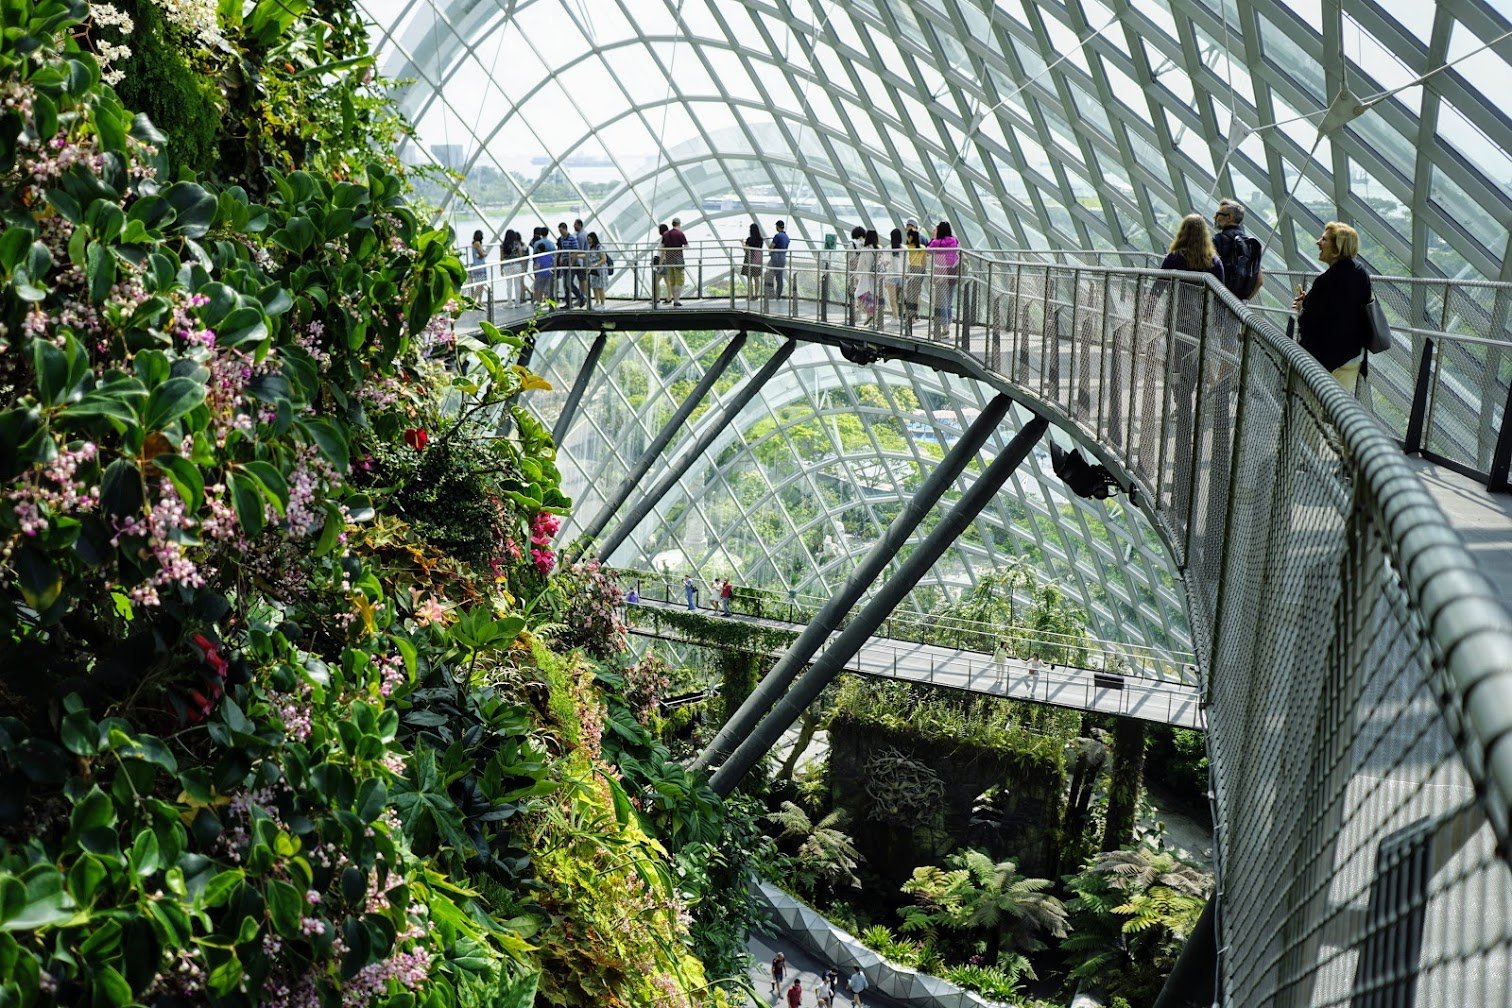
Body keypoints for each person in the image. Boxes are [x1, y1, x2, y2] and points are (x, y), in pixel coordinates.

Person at [1291, 221, 1372, 395]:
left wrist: (1302, 307)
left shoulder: (1327, 281)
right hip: (1351, 356)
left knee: (1311, 412)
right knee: (1339, 412)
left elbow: (1309, 322)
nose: (1318, 242)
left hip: (1323, 361)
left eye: (1324, 239)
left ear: (1337, 248)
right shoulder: (1361, 273)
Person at [1212, 198, 1263, 301]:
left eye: (1218, 214)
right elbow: (1260, 281)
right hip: (1236, 304)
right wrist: (1244, 301)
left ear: (1229, 217)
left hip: (1218, 299)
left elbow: (1210, 269)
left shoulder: (1218, 240)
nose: (1215, 217)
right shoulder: (1250, 244)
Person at [927, 220, 961, 335]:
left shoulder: (937, 242)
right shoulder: (955, 240)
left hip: (940, 273)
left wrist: (933, 237)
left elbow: (928, 250)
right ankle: (946, 325)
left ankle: (945, 328)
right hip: (952, 273)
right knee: (948, 301)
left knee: (941, 301)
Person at [853, 229, 881, 325]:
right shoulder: (879, 249)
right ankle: (871, 318)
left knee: (860, 294)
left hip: (866, 275)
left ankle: (870, 315)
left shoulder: (865, 249)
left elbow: (860, 265)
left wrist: (857, 275)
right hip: (877, 276)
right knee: (873, 297)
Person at [903, 219, 927, 325]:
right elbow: (925, 260)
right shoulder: (923, 243)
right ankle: (915, 314)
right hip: (920, 269)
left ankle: (910, 314)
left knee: (910, 292)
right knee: (917, 292)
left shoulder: (907, 245)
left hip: (911, 269)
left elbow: (906, 258)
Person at [556, 222, 585, 308]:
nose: (560, 232)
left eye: (561, 230)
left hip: (572, 263)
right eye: (559, 231)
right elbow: (563, 249)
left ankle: (581, 297)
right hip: (565, 262)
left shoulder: (572, 238)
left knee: (569, 282)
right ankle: (569, 303)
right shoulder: (561, 239)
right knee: (566, 284)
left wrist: (572, 263)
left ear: (565, 229)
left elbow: (576, 251)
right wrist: (561, 258)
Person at [662, 217, 688, 305]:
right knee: (679, 280)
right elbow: (686, 246)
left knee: (672, 280)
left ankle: (674, 299)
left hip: (668, 259)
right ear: (679, 224)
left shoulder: (665, 234)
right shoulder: (680, 234)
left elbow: (662, 246)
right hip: (678, 259)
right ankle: (676, 300)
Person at [529, 226, 555, 304]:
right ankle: (549, 302)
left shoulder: (537, 243)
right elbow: (554, 255)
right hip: (549, 268)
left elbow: (534, 255)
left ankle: (538, 301)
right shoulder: (551, 244)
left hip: (539, 268)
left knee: (538, 286)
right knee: (548, 287)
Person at [883, 227, 904, 322]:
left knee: (892, 299)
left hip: (891, 276)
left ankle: (895, 318)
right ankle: (896, 317)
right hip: (901, 276)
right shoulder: (904, 248)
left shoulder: (888, 248)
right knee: (898, 298)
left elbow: (885, 262)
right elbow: (906, 263)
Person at [501, 229, 526, 304]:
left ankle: (509, 302)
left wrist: (501, 268)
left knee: (509, 285)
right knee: (517, 284)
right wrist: (522, 266)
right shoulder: (517, 244)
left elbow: (501, 258)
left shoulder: (503, 245)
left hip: (507, 266)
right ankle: (517, 302)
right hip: (516, 265)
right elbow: (521, 255)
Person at [767, 219, 790, 300]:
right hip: (783, 258)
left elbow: (771, 246)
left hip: (775, 258)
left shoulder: (777, 236)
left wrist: (770, 250)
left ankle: (770, 294)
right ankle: (778, 296)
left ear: (777, 226)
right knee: (779, 278)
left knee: (769, 275)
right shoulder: (787, 237)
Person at [585, 231, 609, 307]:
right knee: (594, 286)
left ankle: (602, 304)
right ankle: (597, 302)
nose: (588, 241)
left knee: (600, 287)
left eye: (589, 239)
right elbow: (587, 255)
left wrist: (595, 265)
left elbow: (604, 259)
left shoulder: (599, 247)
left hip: (600, 269)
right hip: (594, 269)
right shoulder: (591, 248)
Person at [740, 222, 763, 300]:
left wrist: (742, 242)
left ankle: (750, 295)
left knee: (749, 279)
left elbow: (745, 249)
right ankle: (757, 295)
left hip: (749, 259)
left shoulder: (749, 239)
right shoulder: (761, 240)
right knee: (756, 278)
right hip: (757, 260)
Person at [651, 222, 669, 302]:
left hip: (663, 261)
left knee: (656, 280)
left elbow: (663, 251)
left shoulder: (664, 238)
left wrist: (660, 264)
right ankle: (669, 297)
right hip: (666, 261)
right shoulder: (667, 237)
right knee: (667, 280)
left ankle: (657, 298)